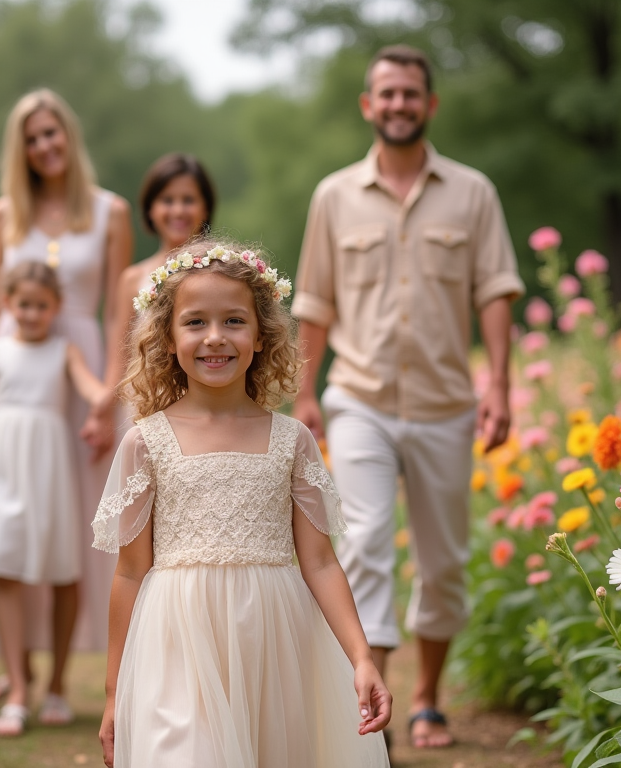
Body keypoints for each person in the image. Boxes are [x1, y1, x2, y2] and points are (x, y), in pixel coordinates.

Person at [291, 45, 525, 749]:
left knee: (444, 557)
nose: (397, 105)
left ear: (430, 104)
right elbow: (315, 301)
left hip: (447, 401)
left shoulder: (473, 192)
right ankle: (376, 706)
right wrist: (304, 391)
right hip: (358, 397)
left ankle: (427, 697)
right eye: (385, 94)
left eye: (409, 94)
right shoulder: (333, 195)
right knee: (362, 542)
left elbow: (494, 290)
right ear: (368, 105)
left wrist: (500, 387)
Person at [92, 239, 392, 768]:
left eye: (233, 321)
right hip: (179, 640)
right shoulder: (146, 442)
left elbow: (320, 562)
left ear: (261, 336)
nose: (215, 338)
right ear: (166, 337)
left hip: (272, 641)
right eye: (195, 322)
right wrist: (115, 692)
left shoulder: (292, 439)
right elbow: (130, 573)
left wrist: (361, 657)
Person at [0, 88, 133, 703]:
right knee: (11, 518)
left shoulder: (110, 212)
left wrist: (108, 396)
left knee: (74, 528)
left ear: (69, 136)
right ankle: (15, 670)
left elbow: (118, 311)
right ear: (21, 150)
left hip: (81, 381)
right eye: (32, 139)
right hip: (14, 378)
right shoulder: (4, 214)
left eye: (52, 134)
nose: (44, 146)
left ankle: (63, 675)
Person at [0, 262, 110, 736]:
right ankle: (18, 689)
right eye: (24, 304)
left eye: (42, 305)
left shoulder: (66, 351)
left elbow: (93, 389)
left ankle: (56, 685)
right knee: (3, 565)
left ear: (56, 307)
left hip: (48, 465)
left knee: (63, 569)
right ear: (8, 305)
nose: (32, 313)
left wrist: (116, 394)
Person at [114, 153, 216, 333]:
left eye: (188, 200)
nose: (178, 211)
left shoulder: (225, 270)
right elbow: (119, 359)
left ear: (206, 208)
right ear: (150, 209)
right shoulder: (132, 279)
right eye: (167, 200)